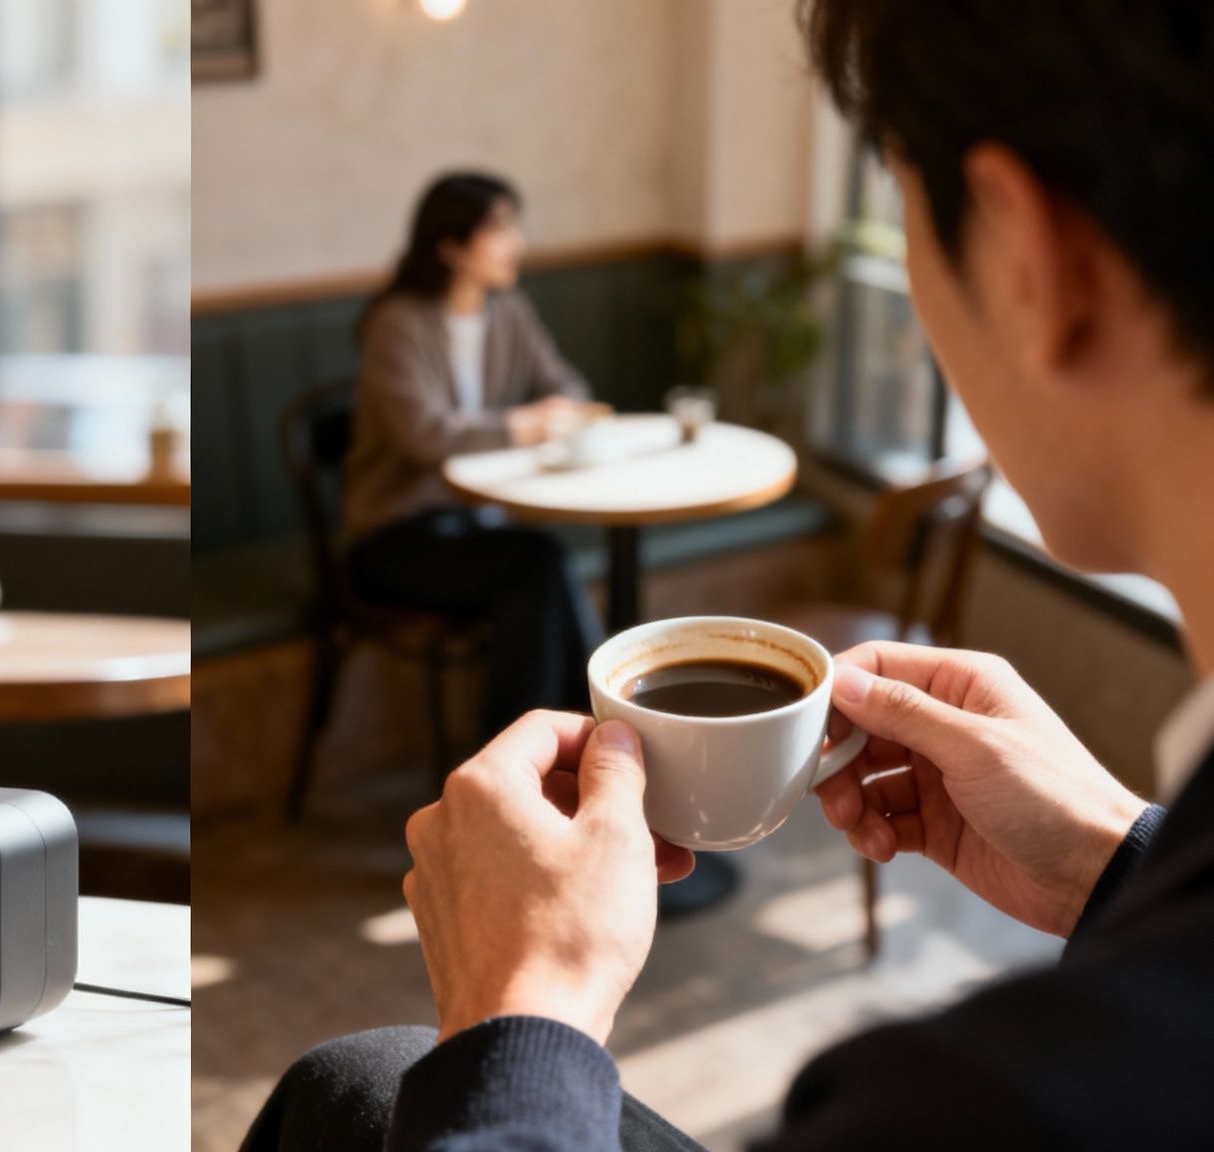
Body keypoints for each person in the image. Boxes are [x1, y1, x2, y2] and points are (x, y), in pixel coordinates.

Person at [247, 1, 1214, 1148]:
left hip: (485, 535)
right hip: (406, 532)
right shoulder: (400, 323)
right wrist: (1122, 861)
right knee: (358, 1074)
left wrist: (523, 1014)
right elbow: (419, 435)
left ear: (1020, 258)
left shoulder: (975, 1103)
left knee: (360, 1081)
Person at [344, 172, 603, 737]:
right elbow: (426, 435)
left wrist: (555, 411)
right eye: (501, 229)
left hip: (472, 522)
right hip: (394, 535)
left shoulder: (508, 312)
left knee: (542, 565)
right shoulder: (398, 325)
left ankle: (568, 735)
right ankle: (557, 737)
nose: (518, 244)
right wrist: (523, 424)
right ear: (451, 247)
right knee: (537, 567)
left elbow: (568, 388)